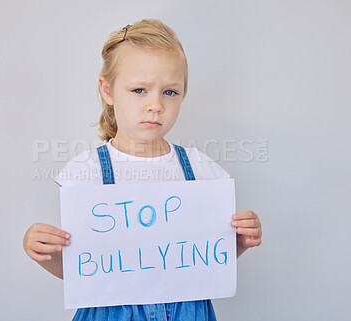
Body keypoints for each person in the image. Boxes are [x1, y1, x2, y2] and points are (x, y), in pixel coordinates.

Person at [23, 18, 262, 320]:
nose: (156, 105)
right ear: (108, 91)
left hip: (187, 312)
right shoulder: (86, 171)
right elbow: (80, 271)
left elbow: (207, 261)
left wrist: (239, 242)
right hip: (111, 311)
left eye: (170, 92)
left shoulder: (201, 169)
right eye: (139, 90)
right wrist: (41, 252)